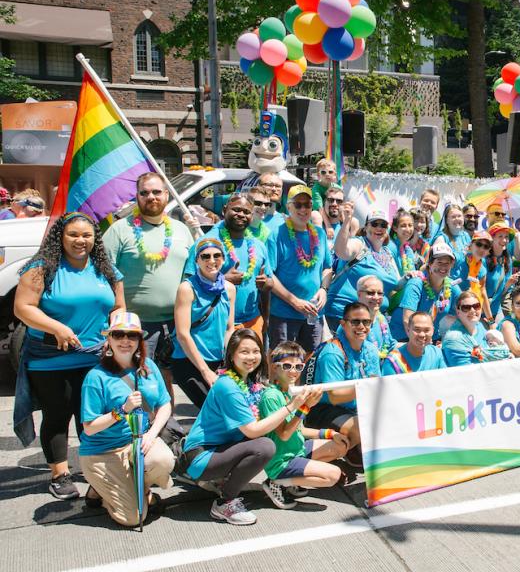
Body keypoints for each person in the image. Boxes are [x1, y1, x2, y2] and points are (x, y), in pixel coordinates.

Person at [13, 212, 125, 500]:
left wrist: (115, 329)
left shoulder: (106, 268)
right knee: (57, 415)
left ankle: (94, 470)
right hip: (51, 358)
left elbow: (119, 307)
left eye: (87, 235)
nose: (80, 241)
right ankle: (60, 474)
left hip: (96, 358)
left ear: (94, 238)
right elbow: (23, 307)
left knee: (92, 417)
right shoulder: (42, 268)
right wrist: (57, 328)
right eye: (73, 235)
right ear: (60, 237)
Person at [181, 329, 305, 525]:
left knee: (263, 439)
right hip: (201, 457)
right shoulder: (228, 386)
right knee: (264, 446)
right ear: (231, 355)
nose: (251, 357)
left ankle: (224, 481)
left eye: (256, 351)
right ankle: (224, 502)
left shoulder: (248, 382)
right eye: (244, 352)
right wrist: (292, 407)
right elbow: (253, 430)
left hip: (221, 449)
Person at [79, 312, 173, 526]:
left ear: (139, 340)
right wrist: (121, 410)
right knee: (133, 518)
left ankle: (140, 489)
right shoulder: (96, 377)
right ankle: (100, 488)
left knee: (162, 459)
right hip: (102, 452)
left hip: (137, 443)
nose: (125, 340)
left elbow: (164, 404)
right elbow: (90, 428)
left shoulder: (148, 366)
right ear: (109, 339)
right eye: (118, 334)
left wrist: (151, 435)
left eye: (131, 336)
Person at [103, 172, 194, 364]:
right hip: (135, 325)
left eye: (156, 192)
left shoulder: (181, 230)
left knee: (166, 382)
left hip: (178, 324)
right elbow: (103, 276)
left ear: (167, 195)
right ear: (137, 197)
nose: (151, 197)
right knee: (137, 379)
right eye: (144, 193)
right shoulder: (119, 230)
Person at [258, 341, 350, 510]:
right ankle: (276, 481)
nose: (293, 371)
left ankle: (292, 480)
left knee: (340, 446)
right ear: (274, 367)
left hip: (296, 450)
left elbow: (299, 429)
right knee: (333, 475)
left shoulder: (289, 391)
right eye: (287, 366)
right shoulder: (271, 396)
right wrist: (305, 407)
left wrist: (330, 434)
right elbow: (284, 434)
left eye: (298, 367)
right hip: (281, 460)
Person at [305, 302, 381, 467]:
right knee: (363, 428)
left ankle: (352, 450)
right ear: (343, 323)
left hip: (354, 407)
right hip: (320, 410)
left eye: (366, 322)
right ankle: (299, 463)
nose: (361, 326)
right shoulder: (333, 352)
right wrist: (367, 386)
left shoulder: (371, 350)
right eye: (355, 322)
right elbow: (335, 396)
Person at [187, 194, 269, 338]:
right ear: (224, 210)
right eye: (236, 209)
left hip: (253, 322)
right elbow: (187, 288)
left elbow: (268, 285)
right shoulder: (206, 244)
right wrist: (223, 280)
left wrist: (267, 283)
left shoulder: (259, 246)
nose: (241, 215)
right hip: (216, 324)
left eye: (246, 212)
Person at [265, 185, 332, 352]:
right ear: (288, 207)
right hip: (284, 314)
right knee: (283, 363)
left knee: (310, 364)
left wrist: (324, 289)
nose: (303, 209)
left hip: (314, 313)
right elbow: (269, 275)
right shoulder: (276, 234)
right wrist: (295, 302)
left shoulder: (319, 233)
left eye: (307, 204)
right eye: (298, 204)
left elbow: (327, 268)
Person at [172, 239, 236, 408]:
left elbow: (229, 328)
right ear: (197, 260)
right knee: (213, 409)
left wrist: (228, 363)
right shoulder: (187, 288)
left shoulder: (229, 288)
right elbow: (182, 334)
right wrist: (205, 371)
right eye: (205, 256)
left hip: (218, 361)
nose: (211, 260)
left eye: (217, 256)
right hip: (189, 360)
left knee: (224, 411)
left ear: (223, 258)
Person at [390, 242, 458, 341]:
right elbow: (407, 320)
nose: (443, 267)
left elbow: (467, 306)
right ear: (430, 263)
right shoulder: (416, 283)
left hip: (431, 339)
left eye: (447, 263)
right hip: (404, 339)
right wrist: (421, 345)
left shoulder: (451, 286)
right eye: (439, 262)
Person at [442, 290, 497, 366]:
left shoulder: (479, 326)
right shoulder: (453, 338)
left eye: (476, 306)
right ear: (458, 312)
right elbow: (465, 372)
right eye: (466, 308)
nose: (472, 310)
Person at [382, 312, 448, 375]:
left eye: (427, 330)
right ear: (408, 330)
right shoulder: (393, 361)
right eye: (417, 329)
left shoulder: (436, 353)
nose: (422, 335)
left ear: (433, 331)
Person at [456, 230, 495, 321]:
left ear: (489, 251)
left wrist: (491, 320)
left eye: (486, 246)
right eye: (479, 244)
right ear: (471, 245)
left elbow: (483, 292)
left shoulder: (482, 269)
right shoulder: (459, 259)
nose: (482, 249)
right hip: (453, 311)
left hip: (470, 313)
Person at [356, 275, 396, 359]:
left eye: (380, 293)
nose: (376, 297)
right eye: (370, 293)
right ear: (359, 294)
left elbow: (391, 345)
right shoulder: (352, 323)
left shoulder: (381, 319)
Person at [485, 222, 518, 318]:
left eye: (507, 237)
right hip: (481, 311)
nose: (504, 240)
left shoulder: (507, 260)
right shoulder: (484, 260)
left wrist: (509, 284)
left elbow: (504, 293)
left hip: (496, 311)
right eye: (500, 236)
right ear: (492, 238)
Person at [433, 204, 471, 276]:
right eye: (453, 217)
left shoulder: (466, 236)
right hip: (449, 284)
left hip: (466, 283)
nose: (457, 219)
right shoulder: (441, 239)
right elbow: (437, 266)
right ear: (447, 220)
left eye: (459, 216)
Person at [390, 210, 423, 278]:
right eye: (403, 226)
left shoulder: (408, 250)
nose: (408, 229)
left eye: (410, 225)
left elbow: (412, 272)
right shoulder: (390, 247)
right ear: (395, 228)